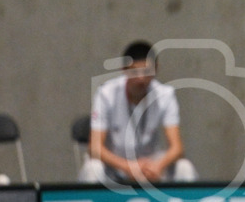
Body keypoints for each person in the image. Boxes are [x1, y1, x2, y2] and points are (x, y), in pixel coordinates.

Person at [79, 40, 198, 184]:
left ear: (156, 69)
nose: (141, 79)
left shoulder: (165, 95)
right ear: (124, 69)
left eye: (147, 72)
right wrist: (127, 167)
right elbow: (95, 148)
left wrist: (158, 165)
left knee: (184, 167)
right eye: (135, 72)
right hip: (115, 166)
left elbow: (177, 148)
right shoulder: (106, 94)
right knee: (93, 168)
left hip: (150, 167)